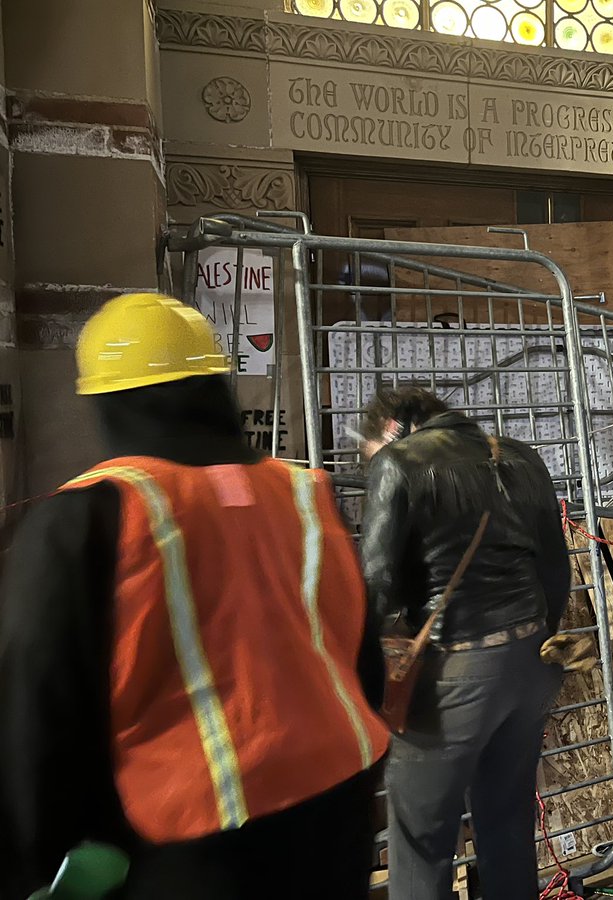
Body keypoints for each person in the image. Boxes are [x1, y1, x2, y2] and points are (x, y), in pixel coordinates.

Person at [0, 293, 390, 900]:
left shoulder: (94, 514)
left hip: (197, 846)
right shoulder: (304, 493)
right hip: (336, 811)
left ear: (106, 403)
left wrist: (37, 862)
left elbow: (37, 706)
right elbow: (358, 653)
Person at [358, 387, 570, 900]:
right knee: (507, 823)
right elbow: (555, 569)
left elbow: (376, 586)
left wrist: (365, 676)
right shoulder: (519, 457)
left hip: (451, 673)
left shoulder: (398, 464)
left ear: (393, 428)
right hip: (530, 662)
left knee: (422, 840)